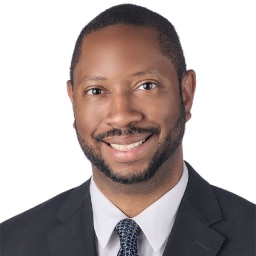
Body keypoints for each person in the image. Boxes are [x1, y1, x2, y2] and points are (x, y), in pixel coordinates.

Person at [0, 3, 255, 256]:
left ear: (186, 94)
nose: (122, 117)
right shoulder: (9, 244)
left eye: (146, 85)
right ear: (73, 100)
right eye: (96, 91)